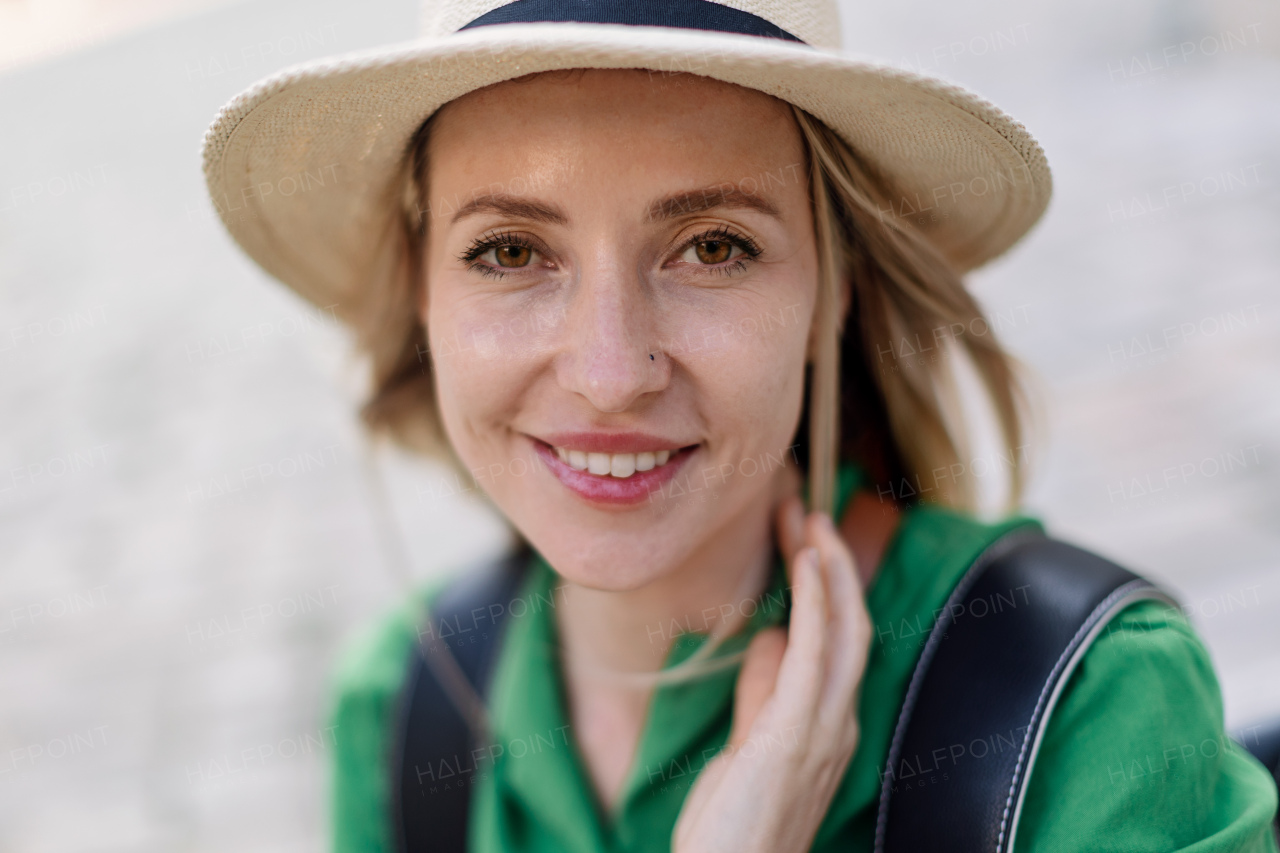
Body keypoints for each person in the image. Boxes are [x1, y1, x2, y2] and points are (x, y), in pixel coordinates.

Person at [200, 2, 1280, 850]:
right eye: (509, 251)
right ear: (420, 290)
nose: (611, 373)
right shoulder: (396, 717)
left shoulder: (1084, 711)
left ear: (835, 288)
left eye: (712, 246)